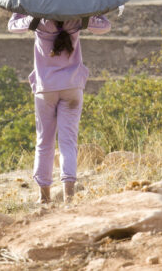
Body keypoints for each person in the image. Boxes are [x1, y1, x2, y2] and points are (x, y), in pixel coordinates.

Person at [9, 13, 110, 204]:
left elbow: (13, 26)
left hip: (45, 89)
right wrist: (92, 10)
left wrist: (21, 9)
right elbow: (105, 26)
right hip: (72, 87)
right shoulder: (77, 18)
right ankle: (69, 197)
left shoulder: (37, 20)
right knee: (68, 142)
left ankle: (44, 197)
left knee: (44, 142)